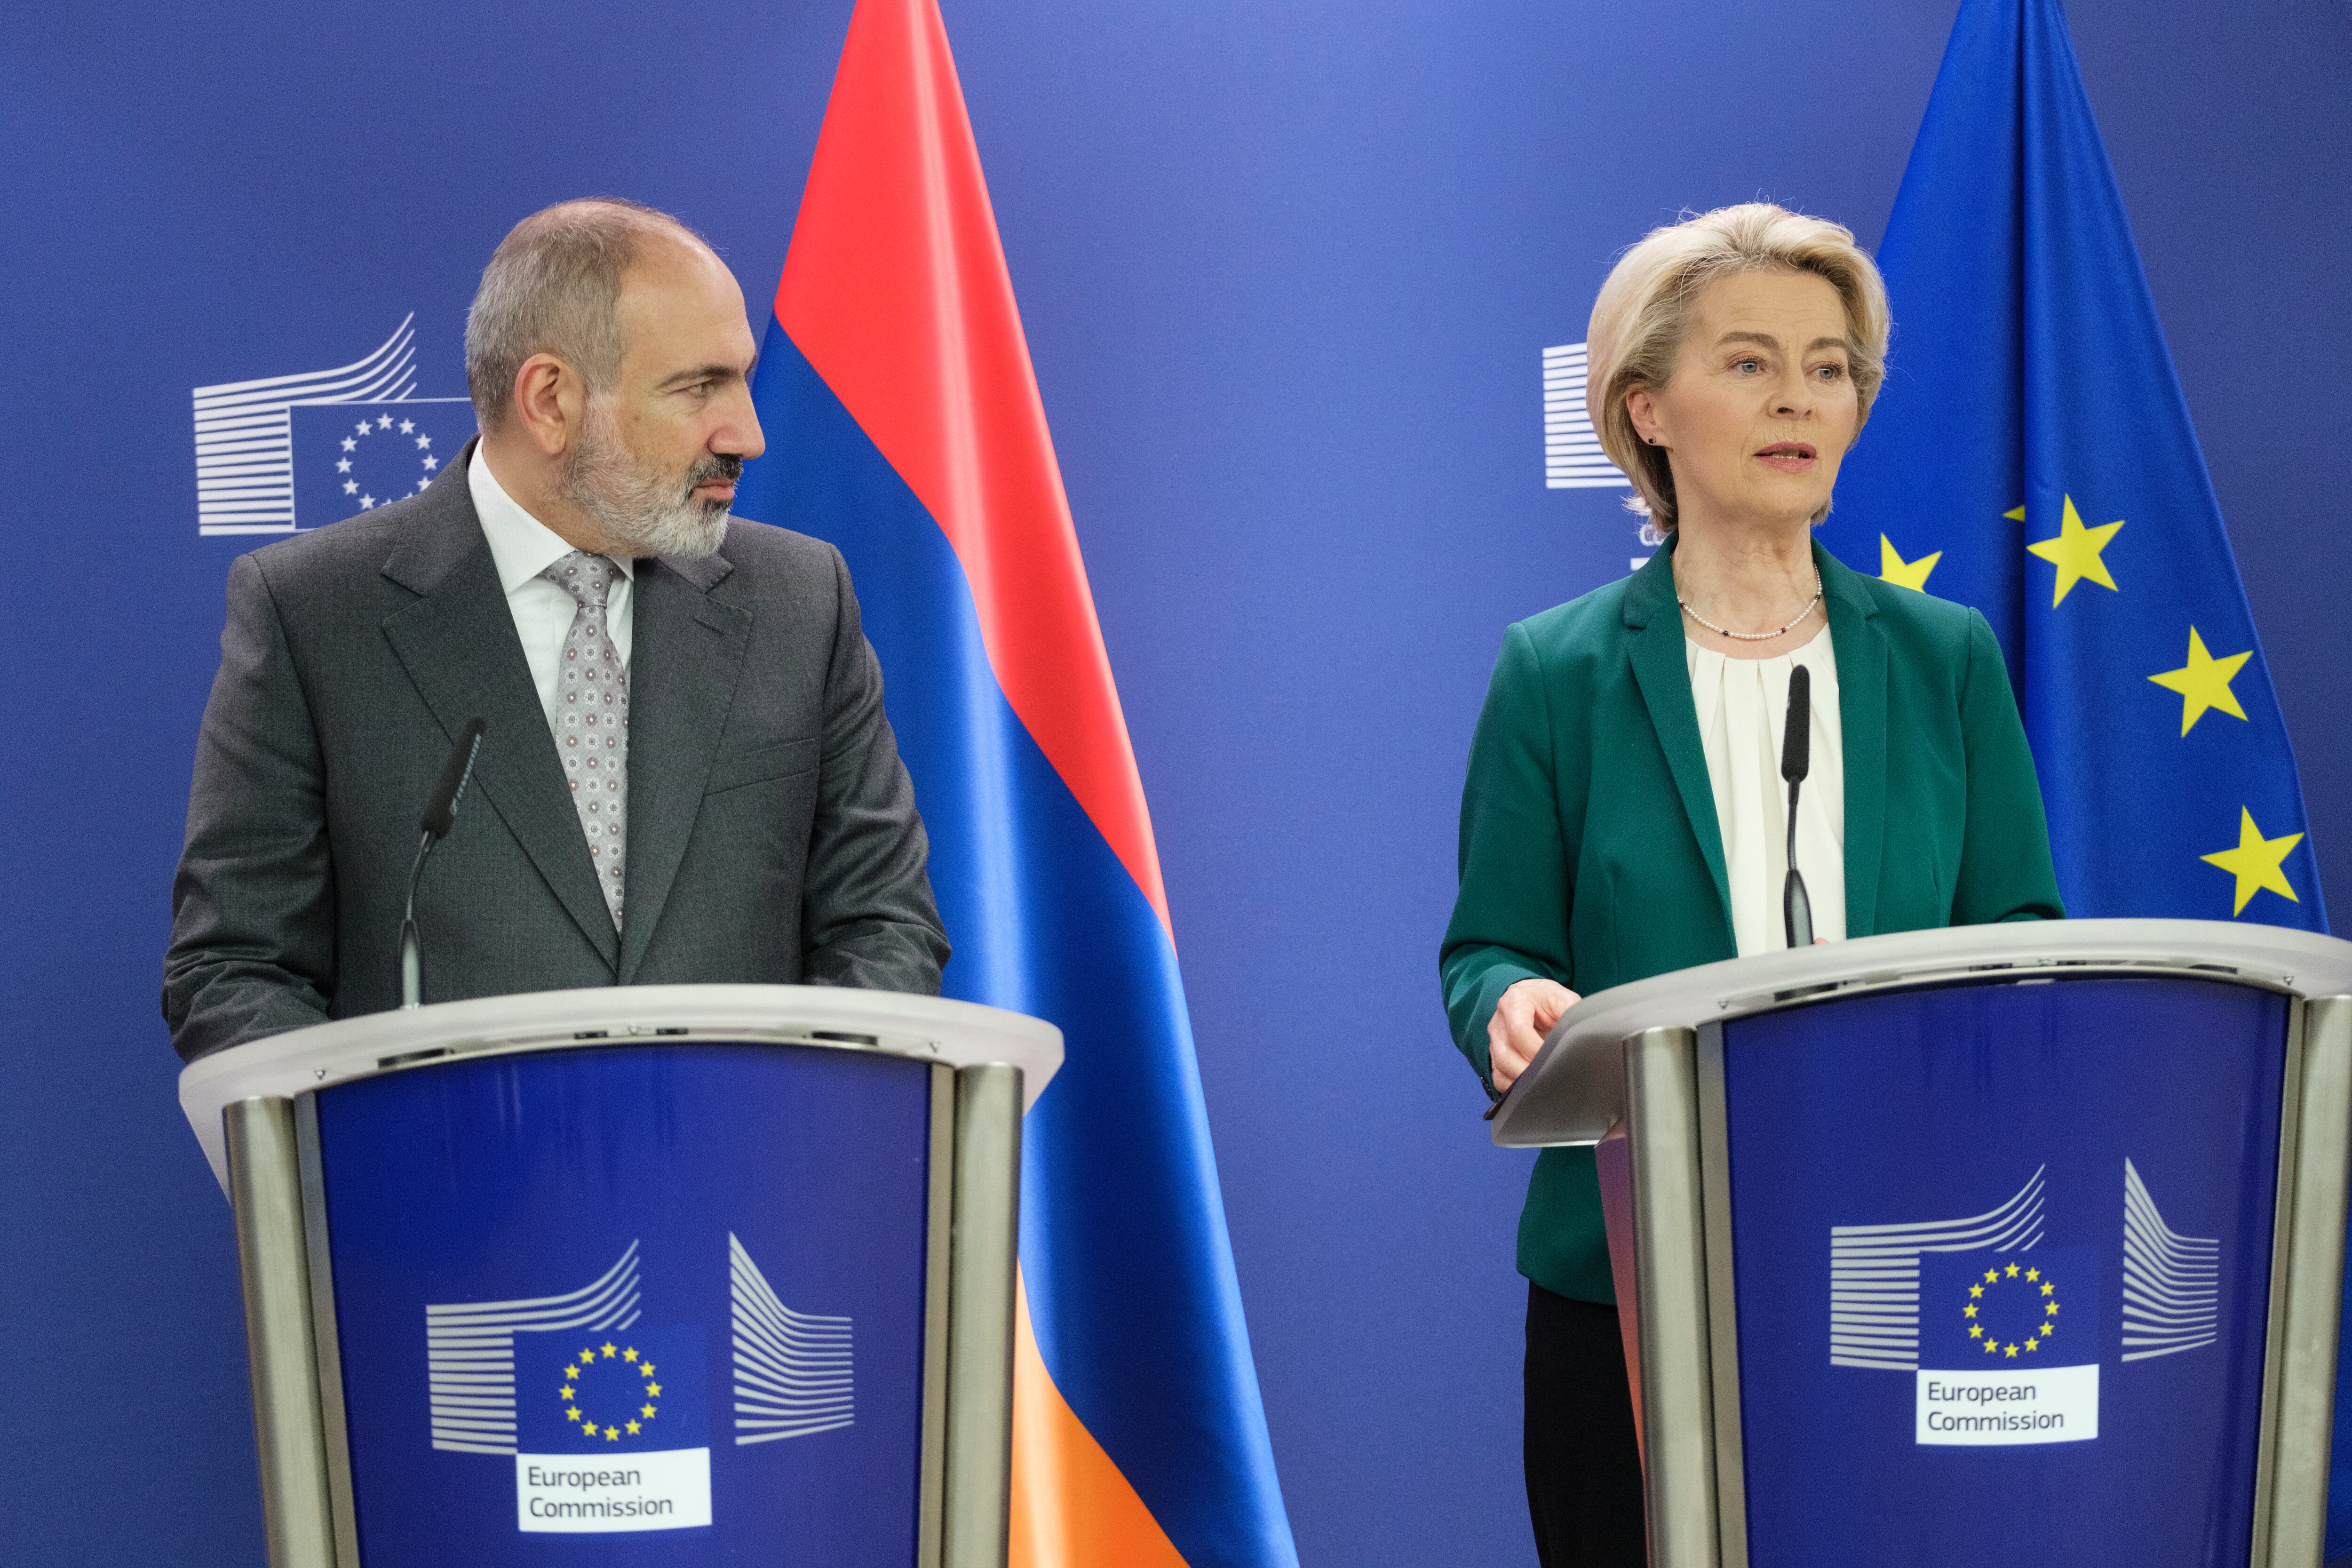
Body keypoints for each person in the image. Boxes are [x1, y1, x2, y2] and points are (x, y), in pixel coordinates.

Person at [1439, 203, 2063, 1566]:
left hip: (1906, 1256)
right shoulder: (1556, 669)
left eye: (1830, 365)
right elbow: (1489, 944)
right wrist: (1512, 1001)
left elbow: (2020, 931)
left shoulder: (1943, 656)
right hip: (1629, 1274)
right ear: (1647, 408)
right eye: (1750, 362)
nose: (1800, 396)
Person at [164, 198, 949, 1062]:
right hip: (446, 1186)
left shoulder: (803, 601)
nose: (747, 435)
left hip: (746, 1177)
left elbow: (885, 927)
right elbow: (236, 968)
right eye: (699, 387)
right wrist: (367, 1150)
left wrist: (788, 1118)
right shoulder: (314, 613)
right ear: (550, 400)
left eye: (742, 380)